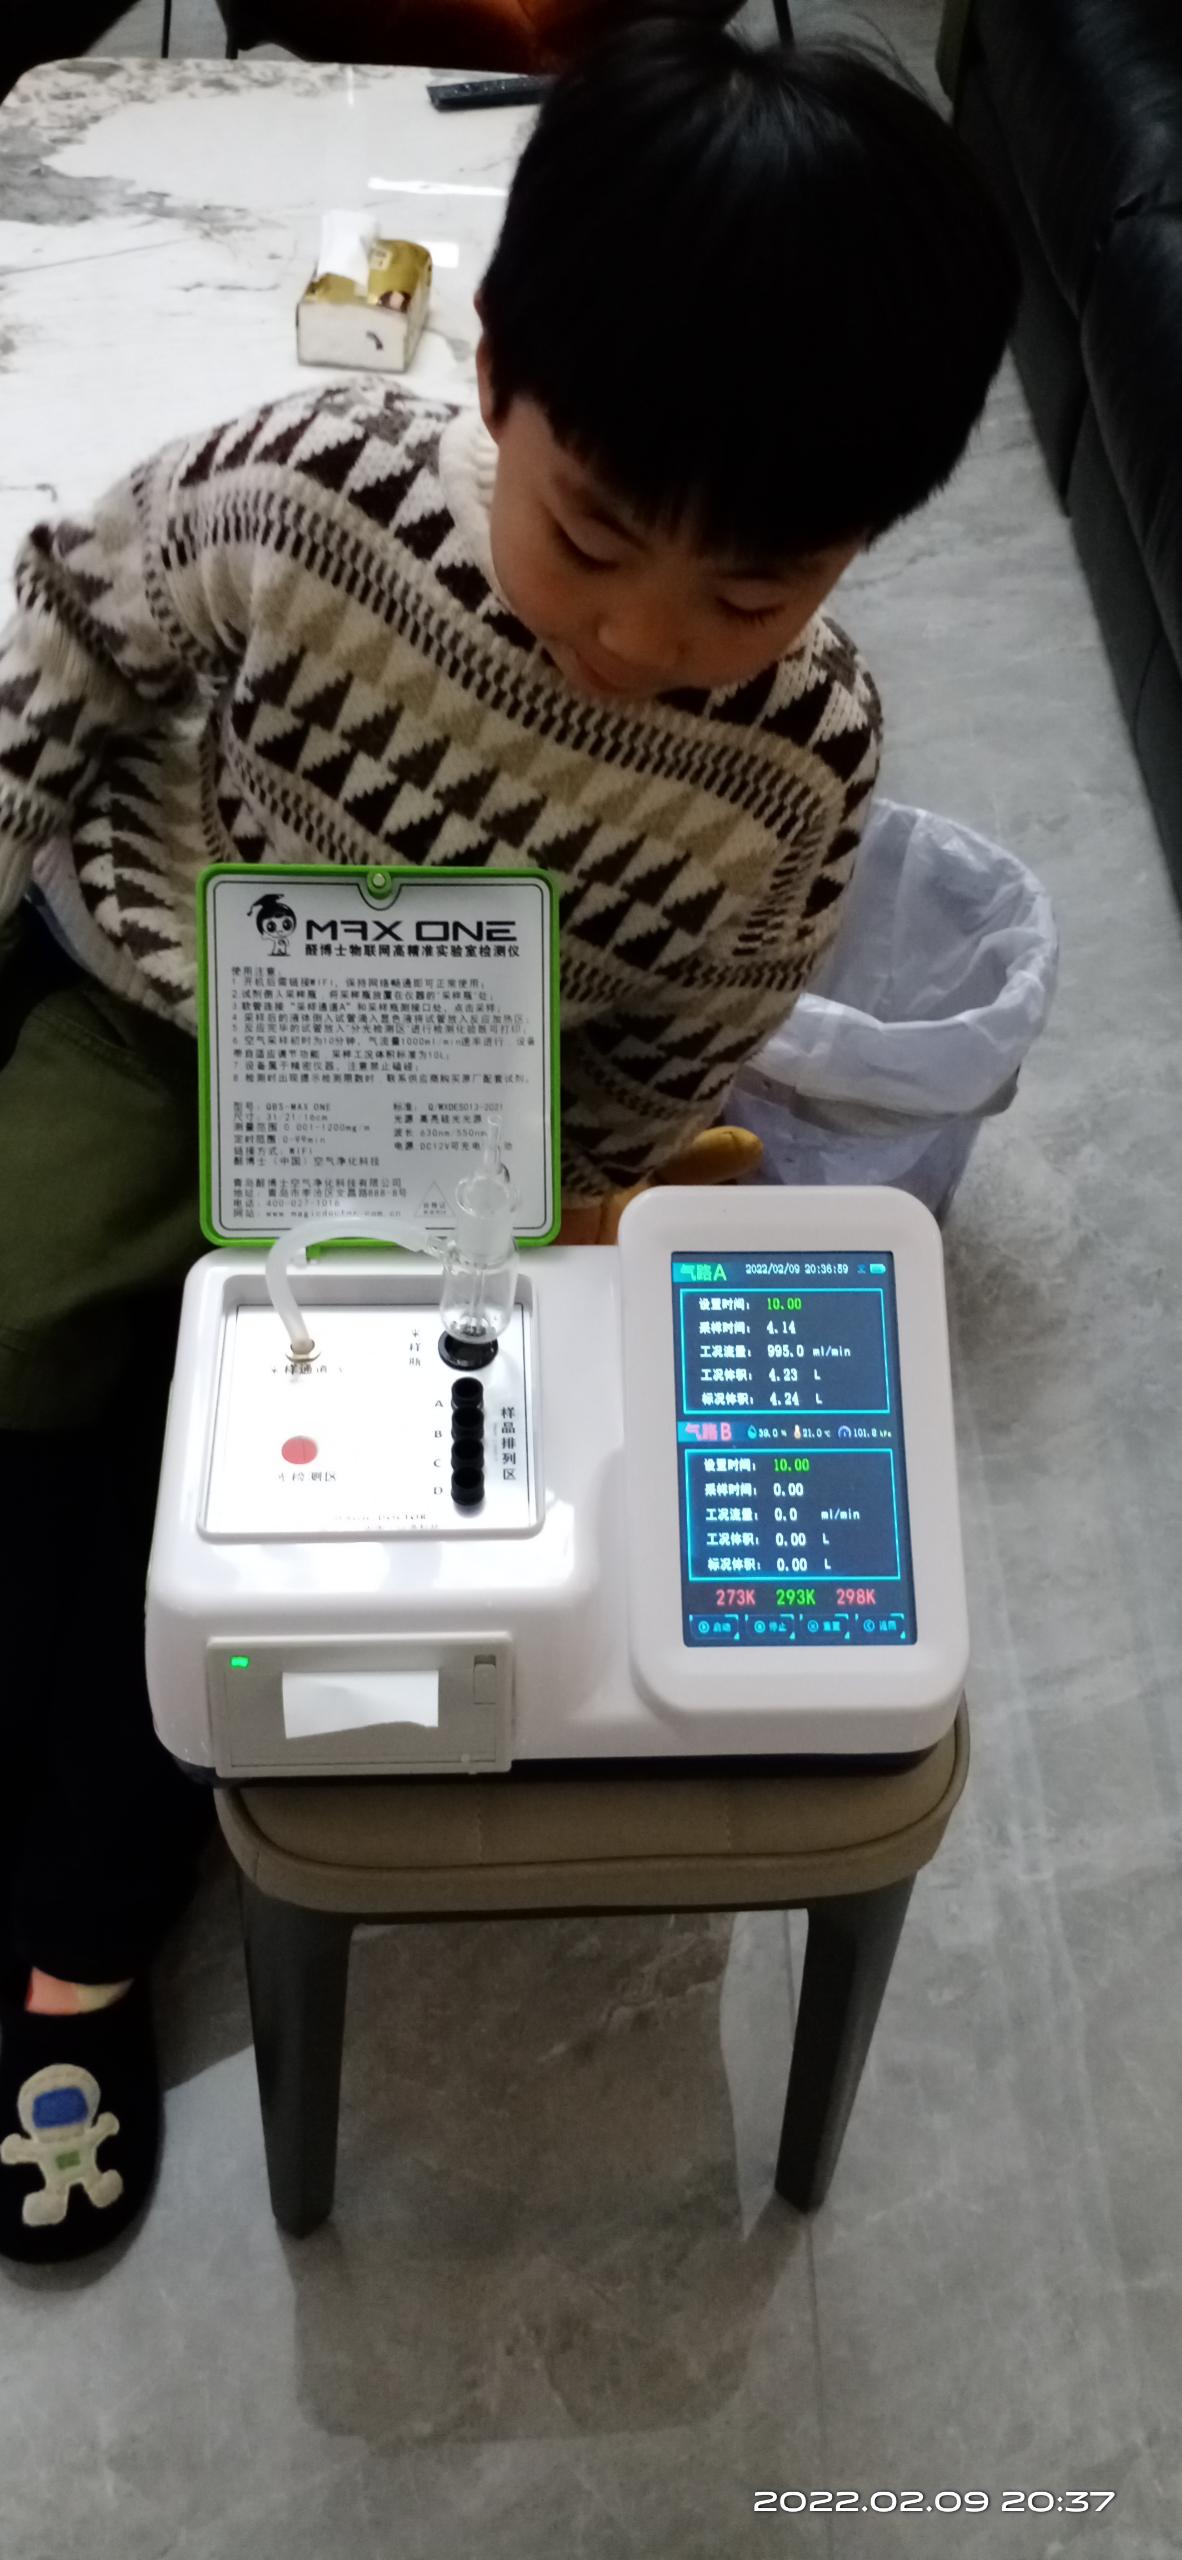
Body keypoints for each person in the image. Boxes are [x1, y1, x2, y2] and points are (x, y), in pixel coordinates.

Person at [0, 19, 1018, 2261]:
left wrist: (581, 1184)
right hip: (162, 1011)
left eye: (750, 593)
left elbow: (700, 1020)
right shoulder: (308, 493)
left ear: (864, 540)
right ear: (490, 377)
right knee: (37, 1359)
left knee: (300, 1526)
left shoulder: (802, 761)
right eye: (594, 533)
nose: (648, 637)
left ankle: (78, 1932)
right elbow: (75, 612)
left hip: (454, 1129)